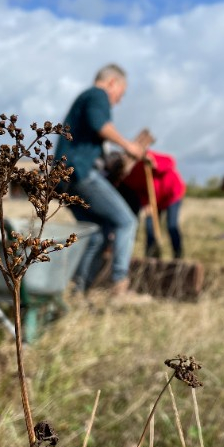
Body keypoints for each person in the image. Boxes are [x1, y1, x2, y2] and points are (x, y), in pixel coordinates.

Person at [53, 64, 149, 300]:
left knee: (97, 234)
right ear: (112, 83)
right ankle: (120, 285)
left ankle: (78, 292)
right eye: (121, 93)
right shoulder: (98, 95)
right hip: (80, 172)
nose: (118, 100)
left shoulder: (84, 98)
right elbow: (101, 126)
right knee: (126, 222)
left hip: (63, 179)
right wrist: (130, 146)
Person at [116, 149, 187, 259]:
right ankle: (151, 256)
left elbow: (170, 161)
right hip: (153, 201)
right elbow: (139, 190)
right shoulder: (129, 176)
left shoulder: (146, 156)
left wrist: (155, 164)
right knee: (150, 228)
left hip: (172, 196)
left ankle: (177, 256)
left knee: (171, 225)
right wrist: (145, 204)